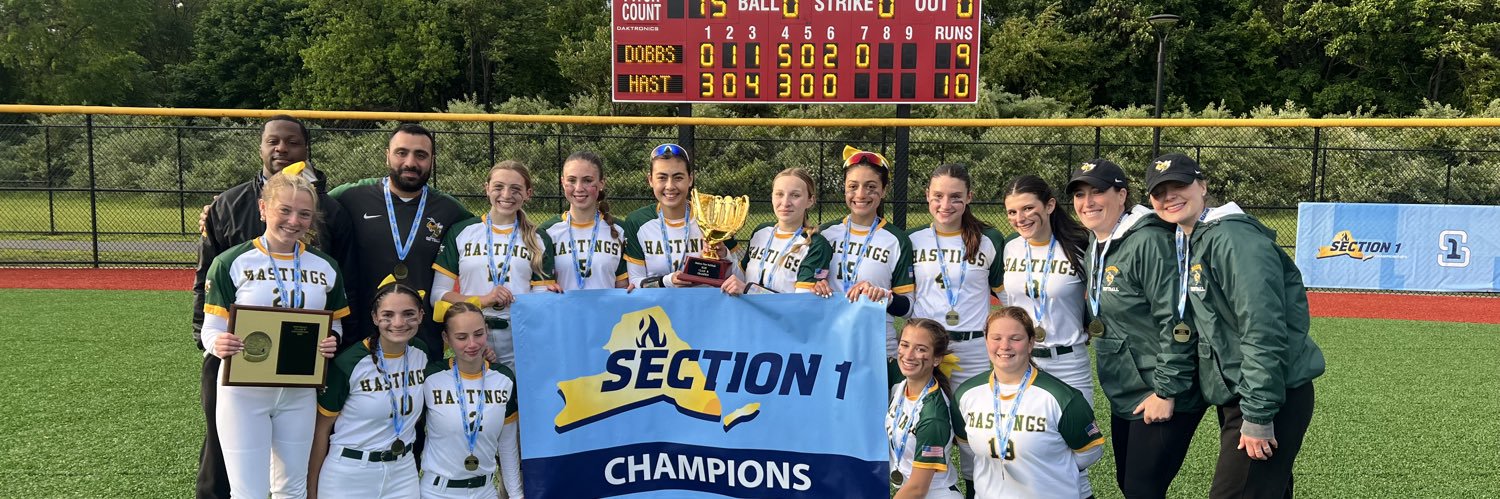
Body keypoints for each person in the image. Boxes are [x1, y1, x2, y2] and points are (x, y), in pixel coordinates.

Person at [1145, 153, 1324, 499]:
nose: (1169, 197)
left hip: (1268, 394)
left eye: (1178, 185)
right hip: (1245, 390)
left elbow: (1262, 330)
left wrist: (1257, 413)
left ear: (1202, 186)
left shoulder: (1232, 240)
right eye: (1158, 191)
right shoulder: (1194, 238)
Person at [191, 116, 352, 499]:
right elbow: (212, 327)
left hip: (298, 389)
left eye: (304, 214)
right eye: (285, 211)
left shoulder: (324, 266)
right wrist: (218, 345)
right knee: (248, 492)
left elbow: (335, 325)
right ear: (264, 209)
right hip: (244, 389)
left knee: (291, 489)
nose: (294, 221)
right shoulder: (232, 261)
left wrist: (331, 340)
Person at [1067, 159, 1205, 498]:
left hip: (1159, 387)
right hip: (1127, 387)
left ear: (1122, 195)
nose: (1088, 202)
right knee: (1131, 486)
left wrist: (1166, 391)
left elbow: (1179, 318)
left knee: (1142, 489)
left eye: (1098, 192)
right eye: (1080, 194)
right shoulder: (1098, 243)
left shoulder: (1148, 242)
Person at [330, 123, 471, 360]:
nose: (410, 163)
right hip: (359, 334)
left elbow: (487, 242)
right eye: (401, 152)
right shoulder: (350, 196)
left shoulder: (450, 210)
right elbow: (305, 211)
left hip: (423, 338)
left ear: (432, 160)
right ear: (387, 156)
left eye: (421, 155)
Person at [954, 307, 1104, 499]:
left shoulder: (1062, 397)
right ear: (985, 340)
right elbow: (966, 445)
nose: (1004, 345)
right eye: (996, 338)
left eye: (1015, 338)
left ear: (1031, 342)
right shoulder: (966, 394)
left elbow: (1089, 454)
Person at [431, 160, 558, 369]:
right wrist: (483, 300)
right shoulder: (462, 232)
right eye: (498, 187)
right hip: (472, 337)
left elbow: (540, 299)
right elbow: (437, 296)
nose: (506, 195)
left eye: (516, 189)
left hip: (520, 337)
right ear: (487, 188)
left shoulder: (538, 238)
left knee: (519, 398)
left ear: (528, 193)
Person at [310, 283, 430, 499]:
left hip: (403, 473)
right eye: (388, 315)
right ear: (374, 317)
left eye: (409, 314)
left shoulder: (421, 352)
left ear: (421, 315)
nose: (399, 323)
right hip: (349, 473)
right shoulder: (349, 363)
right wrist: (311, 491)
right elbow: (321, 431)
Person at [806, 146, 914, 356]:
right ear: (844, 189)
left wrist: (883, 295)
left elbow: (908, 308)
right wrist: (815, 286)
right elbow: (803, 286)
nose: (861, 194)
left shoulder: (897, 240)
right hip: (828, 343)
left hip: (875, 349)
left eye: (871, 186)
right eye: (853, 186)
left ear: (884, 190)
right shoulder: (824, 234)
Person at [907, 163, 1007, 388]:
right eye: (938, 196)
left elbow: (1006, 295)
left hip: (973, 349)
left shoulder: (989, 239)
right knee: (927, 417)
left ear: (969, 197)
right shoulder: (911, 239)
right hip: (925, 346)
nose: (945, 205)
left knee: (969, 419)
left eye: (955, 197)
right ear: (927, 196)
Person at [999, 175, 1092, 401]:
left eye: (1028, 208)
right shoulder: (1011, 247)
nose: (1019, 218)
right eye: (1012, 212)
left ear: (1049, 205)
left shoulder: (1080, 244)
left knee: (1078, 434)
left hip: (1068, 361)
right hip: (1021, 360)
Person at [421, 302, 523, 499]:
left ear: (486, 331)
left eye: (478, 334)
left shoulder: (504, 378)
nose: (472, 344)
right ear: (446, 338)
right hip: (437, 491)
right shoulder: (431, 376)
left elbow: (507, 445)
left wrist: (517, 495)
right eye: (461, 337)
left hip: (485, 491)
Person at [620, 143, 744, 294]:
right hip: (659, 312)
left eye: (678, 177)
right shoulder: (637, 221)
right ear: (650, 180)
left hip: (707, 309)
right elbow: (635, 282)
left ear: (690, 179)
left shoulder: (711, 217)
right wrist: (668, 281)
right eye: (662, 178)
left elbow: (741, 278)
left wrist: (725, 254)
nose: (670, 186)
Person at [887, 318, 962, 499]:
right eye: (905, 345)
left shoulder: (933, 416)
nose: (908, 355)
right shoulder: (902, 387)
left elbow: (918, 488)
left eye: (920, 349)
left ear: (937, 359)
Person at [538, 151, 630, 291]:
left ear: (601, 183)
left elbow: (622, 287)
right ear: (563, 182)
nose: (579, 188)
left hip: (606, 312)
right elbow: (540, 288)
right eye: (572, 180)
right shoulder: (547, 232)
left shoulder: (620, 230)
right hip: (563, 312)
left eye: (587, 180)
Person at [741, 167, 831, 293]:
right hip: (745, 312)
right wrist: (724, 255)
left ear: (810, 201)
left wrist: (747, 291)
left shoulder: (816, 245)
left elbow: (799, 303)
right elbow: (741, 275)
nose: (785, 202)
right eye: (779, 194)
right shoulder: (761, 232)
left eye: (795, 195)